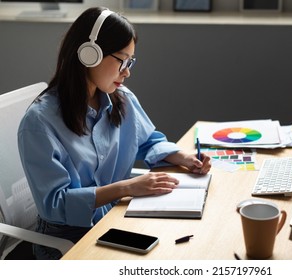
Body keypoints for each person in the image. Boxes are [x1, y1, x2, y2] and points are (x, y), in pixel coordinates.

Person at [17, 7, 211, 260]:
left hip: (111, 218)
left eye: (131, 62)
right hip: (65, 239)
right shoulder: (39, 123)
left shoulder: (122, 100)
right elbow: (55, 204)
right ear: (89, 54)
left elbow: (148, 141)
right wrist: (126, 187)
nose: (127, 71)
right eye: (122, 60)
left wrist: (183, 158)